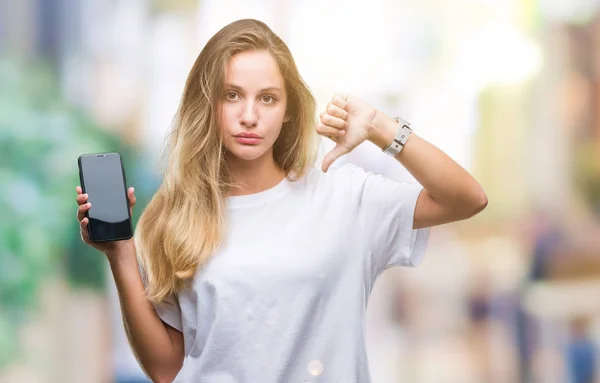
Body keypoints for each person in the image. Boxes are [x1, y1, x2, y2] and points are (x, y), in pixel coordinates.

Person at [75, 19, 488, 383]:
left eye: (268, 98)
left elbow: (466, 198)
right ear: (209, 103)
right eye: (232, 95)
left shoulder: (343, 197)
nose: (249, 115)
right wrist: (121, 255)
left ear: (289, 109)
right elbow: (166, 369)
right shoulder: (176, 216)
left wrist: (381, 126)